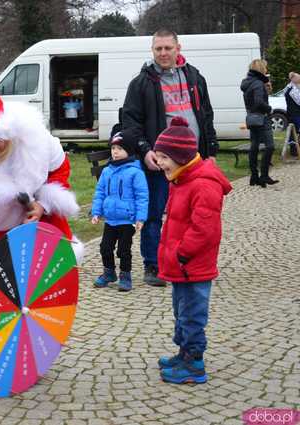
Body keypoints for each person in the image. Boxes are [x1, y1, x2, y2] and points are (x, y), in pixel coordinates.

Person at [122, 29, 218, 287]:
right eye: (158, 49)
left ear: (178, 48)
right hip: (160, 162)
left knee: (193, 216)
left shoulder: (194, 77)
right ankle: (153, 264)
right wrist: (145, 150)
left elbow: (206, 115)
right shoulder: (141, 83)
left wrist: (211, 152)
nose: (163, 53)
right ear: (152, 50)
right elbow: (130, 123)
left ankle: (188, 262)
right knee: (154, 214)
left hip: (193, 162)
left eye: (168, 48)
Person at [152, 117, 232, 384]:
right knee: (181, 310)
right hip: (182, 265)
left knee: (193, 313)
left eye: (163, 157)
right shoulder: (182, 179)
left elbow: (204, 229)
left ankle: (195, 363)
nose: (159, 163)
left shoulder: (202, 184)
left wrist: (182, 253)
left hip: (192, 265)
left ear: (181, 157)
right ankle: (184, 353)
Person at [0, 95, 82, 258]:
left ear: (9, 133)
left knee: (46, 275)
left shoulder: (37, 143)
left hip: (40, 228)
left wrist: (43, 205)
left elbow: (59, 170)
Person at [91, 131, 149, 292]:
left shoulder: (136, 173)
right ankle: (109, 272)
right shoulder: (107, 171)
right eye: (113, 148)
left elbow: (142, 197)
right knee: (105, 247)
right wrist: (96, 212)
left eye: (119, 149)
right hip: (110, 219)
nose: (115, 152)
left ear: (129, 151)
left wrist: (140, 218)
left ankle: (125, 275)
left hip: (127, 220)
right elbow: (100, 192)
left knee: (124, 249)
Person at [241, 59, 279, 187]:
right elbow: (258, 102)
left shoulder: (248, 83)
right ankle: (264, 175)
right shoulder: (258, 83)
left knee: (254, 146)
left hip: (251, 118)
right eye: (265, 68)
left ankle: (254, 176)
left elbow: (253, 101)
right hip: (262, 118)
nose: (266, 70)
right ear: (261, 69)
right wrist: (269, 109)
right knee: (270, 146)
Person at [284, 72, 300, 157]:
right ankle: (295, 151)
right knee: (296, 132)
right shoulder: (293, 89)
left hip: (291, 112)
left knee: (293, 133)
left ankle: (294, 150)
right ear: (293, 79)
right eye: (298, 78)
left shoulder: (288, 87)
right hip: (295, 113)